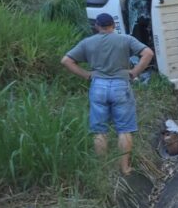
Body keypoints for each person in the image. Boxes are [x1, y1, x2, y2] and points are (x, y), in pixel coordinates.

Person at [61, 13, 154, 175]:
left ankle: (103, 171)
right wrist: (134, 72)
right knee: (124, 130)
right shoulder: (125, 39)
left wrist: (86, 75)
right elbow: (148, 53)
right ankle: (125, 168)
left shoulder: (87, 42)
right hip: (120, 85)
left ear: (97, 26)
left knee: (100, 130)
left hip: (98, 86)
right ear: (113, 26)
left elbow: (66, 60)